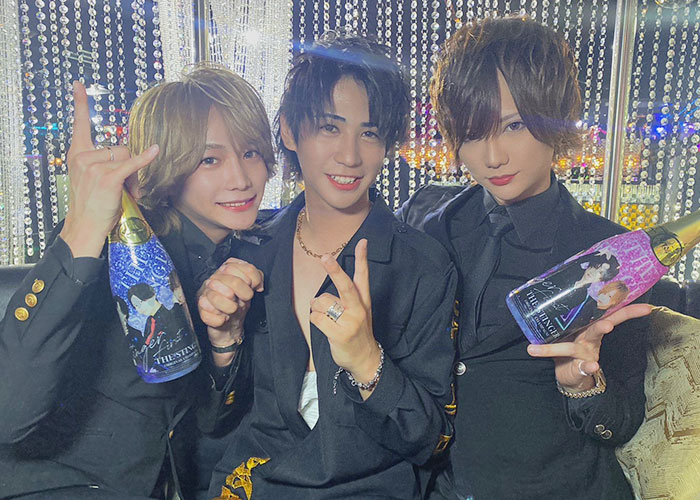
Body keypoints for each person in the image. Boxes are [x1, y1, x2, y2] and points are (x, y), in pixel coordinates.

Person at [397, 15, 652, 500]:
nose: (492, 156)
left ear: (555, 118)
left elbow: (621, 422)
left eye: (513, 126)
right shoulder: (431, 228)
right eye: (472, 133)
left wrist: (580, 385)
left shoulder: (611, 254)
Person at [199, 32, 457, 499]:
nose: (350, 156)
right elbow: (213, 421)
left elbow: (432, 440)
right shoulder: (249, 250)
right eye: (329, 128)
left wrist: (368, 361)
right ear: (289, 130)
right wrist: (223, 343)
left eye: (369, 133)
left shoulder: (423, 266)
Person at [0, 65, 274, 499]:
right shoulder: (114, 243)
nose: (241, 179)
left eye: (252, 152)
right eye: (210, 159)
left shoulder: (243, 263)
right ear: (166, 165)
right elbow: (8, 414)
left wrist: (225, 341)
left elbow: (209, 424)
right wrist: (82, 229)